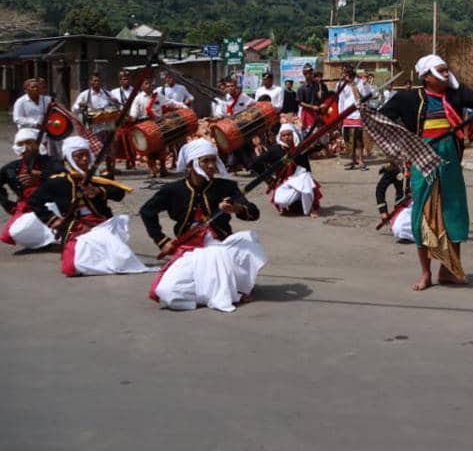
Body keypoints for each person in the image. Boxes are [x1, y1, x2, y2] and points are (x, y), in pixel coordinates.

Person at [379, 54, 473, 290]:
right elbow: (383, 117)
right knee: (423, 215)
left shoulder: (455, 93)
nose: (445, 73)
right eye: (440, 70)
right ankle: (425, 274)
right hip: (423, 159)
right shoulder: (408, 97)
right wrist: (407, 139)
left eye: (446, 68)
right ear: (427, 76)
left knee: (454, 211)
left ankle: (448, 270)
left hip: (450, 161)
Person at [140, 138, 266, 312]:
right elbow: (147, 211)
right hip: (189, 251)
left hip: (222, 247)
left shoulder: (226, 187)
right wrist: (161, 240)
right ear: (192, 164)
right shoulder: (173, 190)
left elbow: (254, 213)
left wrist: (235, 208)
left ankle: (230, 287)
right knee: (167, 292)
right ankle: (219, 289)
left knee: (247, 241)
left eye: (213, 160)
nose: (211, 165)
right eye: (205, 161)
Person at [26, 137, 149, 277]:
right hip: (75, 227)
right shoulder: (59, 181)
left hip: (102, 224)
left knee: (121, 260)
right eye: (79, 156)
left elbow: (119, 193)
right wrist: (52, 220)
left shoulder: (100, 177)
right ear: (69, 158)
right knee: (71, 268)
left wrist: (98, 191)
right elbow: (34, 200)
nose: (84, 159)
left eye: (86, 155)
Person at [1, 128, 62, 248]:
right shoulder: (11, 168)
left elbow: (63, 176)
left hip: (52, 205)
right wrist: (8, 204)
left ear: (36, 145)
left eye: (29, 143)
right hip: (26, 207)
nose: (25, 147)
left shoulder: (51, 161)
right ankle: (42, 240)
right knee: (9, 234)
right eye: (20, 144)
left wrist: (41, 176)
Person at [251, 124, 320, 217]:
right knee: (281, 200)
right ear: (280, 137)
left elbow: (317, 148)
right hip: (285, 182)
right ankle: (285, 206)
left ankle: (310, 209)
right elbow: (256, 164)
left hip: (301, 179)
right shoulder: (275, 149)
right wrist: (268, 180)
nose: (286, 137)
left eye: (289, 134)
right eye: (283, 135)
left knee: (306, 182)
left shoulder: (300, 148)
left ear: (294, 135)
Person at [73, 73, 118, 176]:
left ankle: (110, 168)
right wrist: (80, 105)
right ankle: (95, 169)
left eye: (98, 81)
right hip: (94, 127)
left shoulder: (107, 93)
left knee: (109, 149)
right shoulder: (84, 94)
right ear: (90, 82)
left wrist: (115, 101)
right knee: (96, 149)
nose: (97, 83)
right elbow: (74, 109)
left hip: (108, 126)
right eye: (94, 81)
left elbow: (116, 105)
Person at [336, 66, 368, 170]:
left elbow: (364, 95)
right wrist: (340, 115)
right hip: (346, 113)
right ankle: (352, 160)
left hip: (357, 113)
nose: (344, 75)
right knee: (348, 138)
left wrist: (354, 84)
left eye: (346, 73)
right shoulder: (341, 84)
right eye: (343, 73)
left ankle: (361, 160)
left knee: (358, 138)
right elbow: (340, 100)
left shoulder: (359, 82)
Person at [109, 70, 138, 170]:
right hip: (119, 120)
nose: (125, 81)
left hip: (131, 119)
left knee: (132, 142)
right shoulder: (113, 92)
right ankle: (115, 164)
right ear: (120, 81)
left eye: (127, 78)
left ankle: (131, 162)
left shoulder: (135, 91)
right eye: (123, 79)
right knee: (118, 142)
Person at [297, 65, 330, 137]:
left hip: (319, 113)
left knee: (321, 134)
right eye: (309, 73)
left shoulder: (318, 85)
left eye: (312, 73)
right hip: (308, 114)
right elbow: (300, 103)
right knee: (310, 134)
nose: (311, 74)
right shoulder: (301, 88)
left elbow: (322, 98)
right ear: (305, 74)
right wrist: (312, 107)